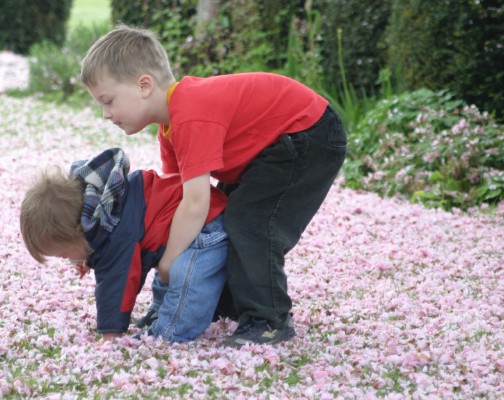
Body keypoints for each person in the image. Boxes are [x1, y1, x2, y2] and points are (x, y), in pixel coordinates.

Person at [80, 25, 347, 348]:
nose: (106, 114)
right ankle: (217, 302)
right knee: (224, 219)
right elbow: (178, 201)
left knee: (251, 222)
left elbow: (195, 205)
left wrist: (168, 262)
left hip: (307, 134)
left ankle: (269, 319)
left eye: (108, 101)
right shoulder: (169, 129)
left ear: (144, 85)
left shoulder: (190, 113)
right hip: (272, 148)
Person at [19, 147, 228, 343]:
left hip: (206, 226)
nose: (69, 260)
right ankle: (160, 311)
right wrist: (87, 257)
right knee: (166, 268)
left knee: (186, 280)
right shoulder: (104, 211)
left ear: (79, 231)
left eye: (65, 254)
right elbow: (101, 246)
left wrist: (111, 333)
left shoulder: (116, 234)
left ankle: (170, 333)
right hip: (178, 226)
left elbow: (116, 284)